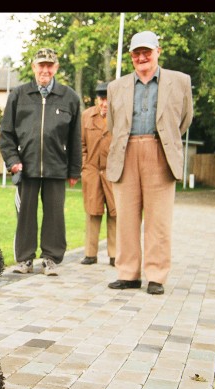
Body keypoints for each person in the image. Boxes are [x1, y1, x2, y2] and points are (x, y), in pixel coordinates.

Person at [106, 31, 193, 295]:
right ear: (131, 56)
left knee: (159, 221)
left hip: (160, 152)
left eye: (146, 51)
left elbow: (185, 119)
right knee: (127, 219)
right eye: (136, 53)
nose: (141, 57)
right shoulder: (115, 87)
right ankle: (128, 274)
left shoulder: (179, 81)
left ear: (158, 51)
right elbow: (112, 124)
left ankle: (156, 276)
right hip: (126, 152)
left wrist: (163, 140)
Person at [0, 47, 82, 276]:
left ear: (56, 68)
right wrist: (12, 160)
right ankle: (25, 259)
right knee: (25, 213)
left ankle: (51, 259)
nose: (45, 69)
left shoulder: (70, 97)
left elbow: (76, 137)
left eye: (49, 65)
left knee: (55, 215)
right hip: (26, 167)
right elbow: (6, 134)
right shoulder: (18, 95)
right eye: (41, 65)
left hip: (57, 167)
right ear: (33, 67)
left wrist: (75, 170)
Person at [80, 81, 116, 267]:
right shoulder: (86, 116)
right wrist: (85, 165)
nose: (104, 104)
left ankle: (114, 255)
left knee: (114, 213)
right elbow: (81, 144)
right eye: (102, 99)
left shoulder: (119, 116)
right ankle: (90, 254)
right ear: (97, 99)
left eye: (108, 99)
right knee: (92, 213)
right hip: (92, 171)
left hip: (113, 172)